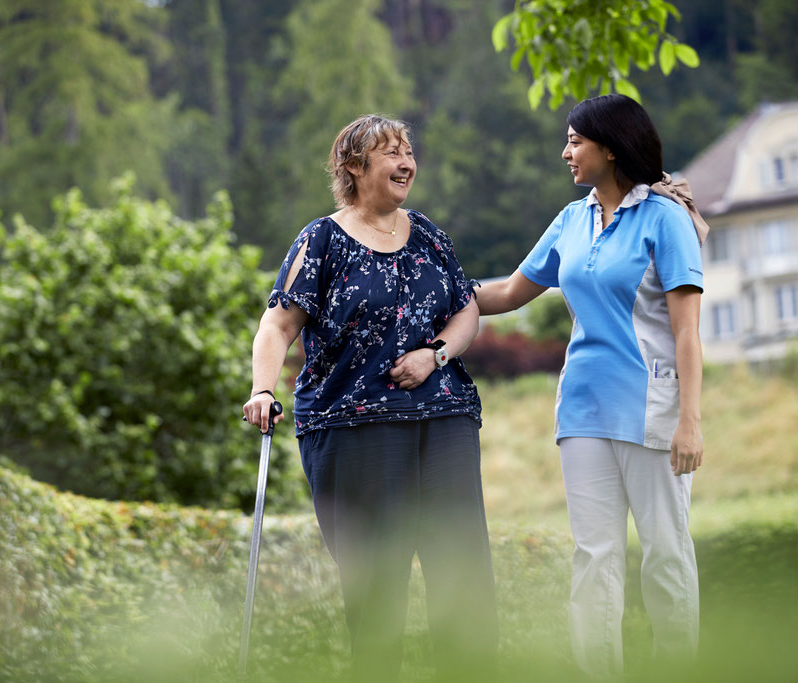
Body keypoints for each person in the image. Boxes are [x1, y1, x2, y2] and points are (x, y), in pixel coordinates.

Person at [243, 114, 497, 682]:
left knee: (463, 579)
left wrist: (435, 354)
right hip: (353, 429)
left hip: (443, 418)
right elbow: (277, 326)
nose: (407, 161)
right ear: (355, 168)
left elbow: (466, 308)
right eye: (391, 153)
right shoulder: (322, 240)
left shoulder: (429, 234)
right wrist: (263, 388)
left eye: (408, 150)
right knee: (376, 589)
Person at [475, 94, 704, 679]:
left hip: (651, 410)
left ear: (610, 145)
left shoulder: (665, 219)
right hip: (581, 410)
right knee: (594, 558)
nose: (566, 152)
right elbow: (505, 295)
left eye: (575, 141)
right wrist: (426, 286)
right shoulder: (571, 220)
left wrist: (691, 421)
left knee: (665, 554)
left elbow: (687, 336)